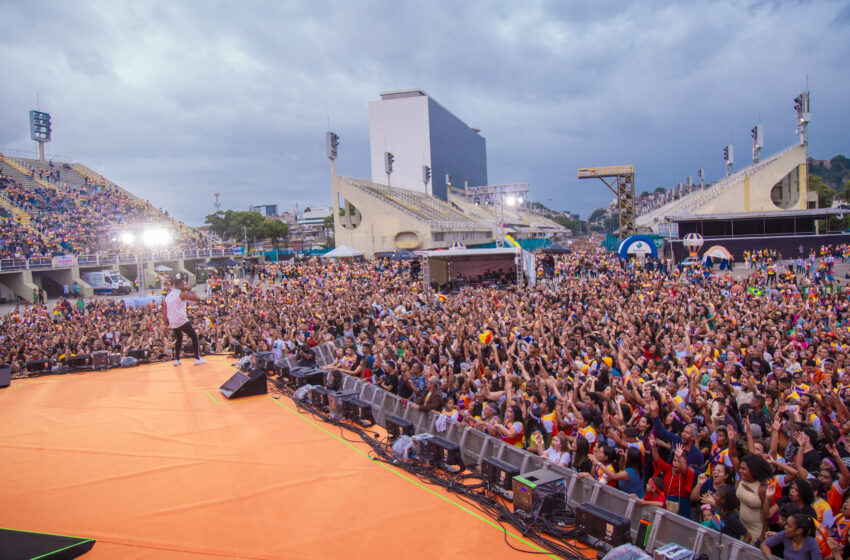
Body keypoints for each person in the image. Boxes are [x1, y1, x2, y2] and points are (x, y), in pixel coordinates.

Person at [162, 274, 205, 366]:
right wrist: (191, 290)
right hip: (181, 319)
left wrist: (165, 324)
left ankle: (176, 359)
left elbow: (164, 312)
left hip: (172, 322)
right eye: (183, 284)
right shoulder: (181, 294)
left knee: (179, 338)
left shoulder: (167, 296)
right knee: (193, 336)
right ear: (181, 285)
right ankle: (197, 358)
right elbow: (196, 298)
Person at [760, 513, 825, 560]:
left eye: (789, 526)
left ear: (798, 531)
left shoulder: (811, 543)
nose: (785, 527)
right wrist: (771, 558)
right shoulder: (785, 535)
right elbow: (764, 545)